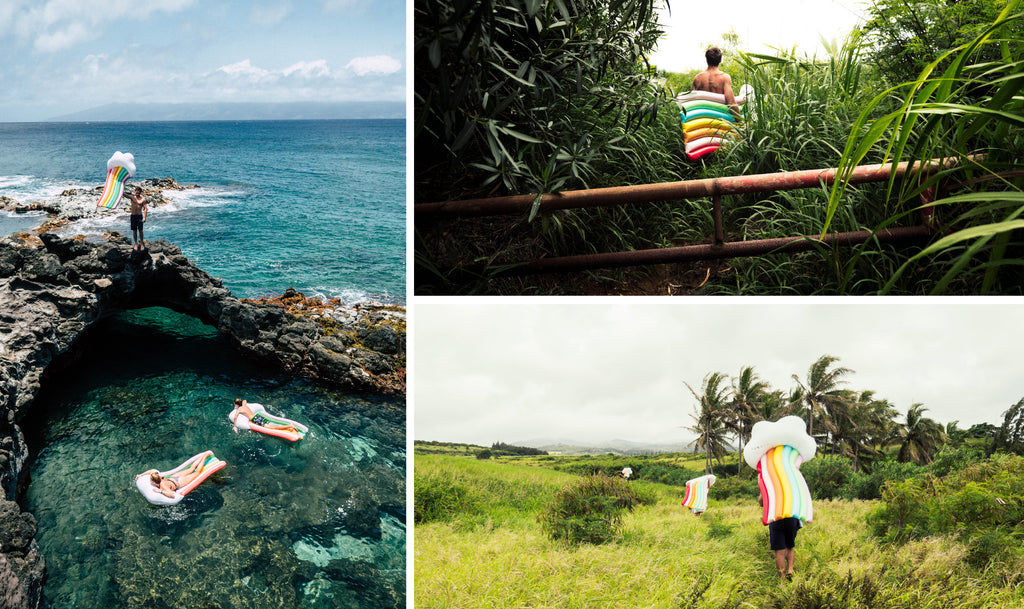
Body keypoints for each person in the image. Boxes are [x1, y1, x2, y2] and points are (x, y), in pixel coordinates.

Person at [760, 490, 801, 581]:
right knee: (790, 547)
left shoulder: (770, 482)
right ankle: (790, 570)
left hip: (776, 518)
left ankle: (783, 580)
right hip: (792, 517)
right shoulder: (792, 482)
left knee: (780, 552)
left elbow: (761, 502)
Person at [692, 46, 740, 117]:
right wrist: (741, 121)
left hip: (703, 118)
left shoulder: (697, 78)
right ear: (720, 60)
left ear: (707, 60)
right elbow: (731, 103)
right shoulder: (724, 77)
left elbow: (693, 102)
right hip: (719, 119)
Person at [137, 456, 207, 499]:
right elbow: (151, 471)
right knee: (191, 469)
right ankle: (204, 455)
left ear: (154, 482)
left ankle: (204, 457)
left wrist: (160, 491)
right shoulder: (158, 476)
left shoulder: (163, 485)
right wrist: (141, 475)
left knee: (197, 473)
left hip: (179, 482)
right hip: (173, 478)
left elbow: (171, 495)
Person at [232, 398, 299, 434]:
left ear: (236, 405)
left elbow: (235, 417)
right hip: (258, 417)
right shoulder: (244, 405)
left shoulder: (239, 409)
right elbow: (244, 400)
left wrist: (235, 427)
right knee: (271, 425)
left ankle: (289, 426)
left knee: (271, 428)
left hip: (255, 420)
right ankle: (288, 427)